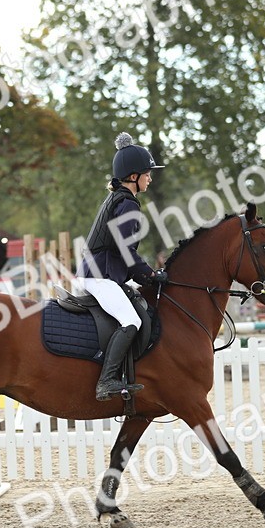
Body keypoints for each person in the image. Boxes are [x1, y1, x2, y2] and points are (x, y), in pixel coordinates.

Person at [77, 132, 165, 401]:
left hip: (100, 273)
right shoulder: (127, 204)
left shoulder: (117, 200)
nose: (150, 178)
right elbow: (125, 251)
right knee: (131, 320)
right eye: (147, 173)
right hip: (100, 276)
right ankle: (107, 381)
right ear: (134, 176)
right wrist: (150, 274)